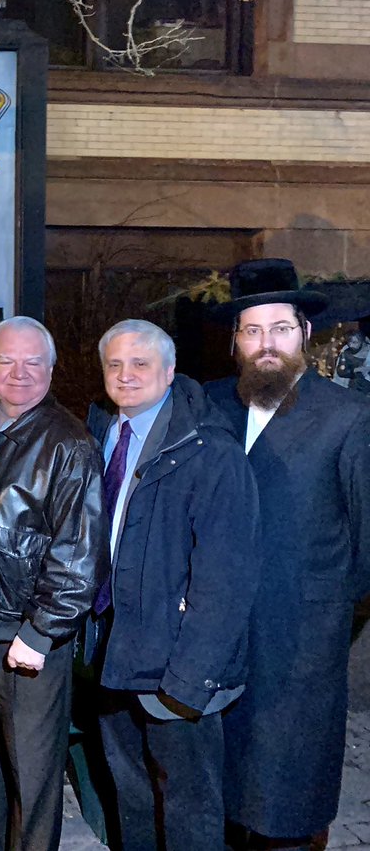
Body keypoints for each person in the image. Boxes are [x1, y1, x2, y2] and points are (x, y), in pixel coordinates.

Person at [205, 258, 370, 850]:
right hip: (221, 626)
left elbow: (367, 537)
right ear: (235, 341)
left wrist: (330, 605)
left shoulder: (348, 417)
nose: (266, 344)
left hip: (304, 629)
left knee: (291, 772)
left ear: (305, 332)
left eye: (279, 328)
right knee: (226, 768)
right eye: (252, 330)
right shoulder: (210, 405)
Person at [86, 319, 259, 851]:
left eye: (140, 363)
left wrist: (190, 680)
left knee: (189, 807)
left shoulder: (210, 451)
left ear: (169, 371)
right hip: (114, 653)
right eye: (115, 364)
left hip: (177, 665)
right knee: (131, 796)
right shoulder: (100, 433)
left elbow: (227, 578)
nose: (126, 375)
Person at [0, 316, 107, 851]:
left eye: (34, 361)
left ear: (52, 369)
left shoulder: (69, 443)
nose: (20, 373)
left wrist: (41, 632)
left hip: (25, 636)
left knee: (31, 778)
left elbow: (79, 551)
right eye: (7, 360)